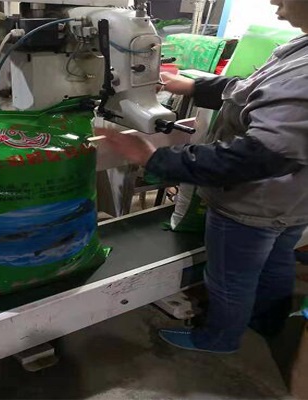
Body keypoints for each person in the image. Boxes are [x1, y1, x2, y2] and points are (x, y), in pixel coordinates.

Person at [97, 0, 308, 354]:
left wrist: (155, 158)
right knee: (276, 260)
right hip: (293, 200)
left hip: (253, 203)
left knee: (230, 279)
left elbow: (256, 157)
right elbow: (254, 89)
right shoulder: (302, 46)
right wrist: (194, 88)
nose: (274, 1)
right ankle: (266, 321)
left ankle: (219, 339)